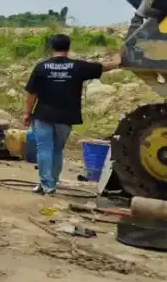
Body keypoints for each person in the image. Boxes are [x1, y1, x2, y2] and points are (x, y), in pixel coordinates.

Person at [22, 33, 122, 195]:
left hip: (43, 115)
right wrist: (118, 62)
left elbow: (32, 93)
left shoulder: (41, 67)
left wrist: (27, 113)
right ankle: (52, 183)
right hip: (65, 117)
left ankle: (46, 184)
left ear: (52, 48)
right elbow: (101, 66)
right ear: (68, 48)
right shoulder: (78, 67)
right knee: (57, 150)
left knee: (44, 149)